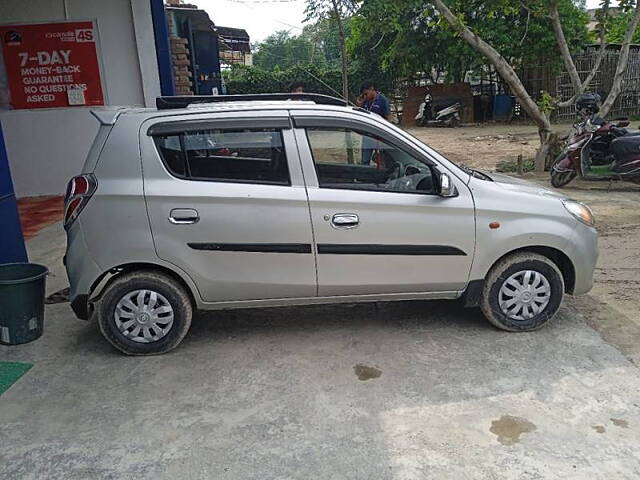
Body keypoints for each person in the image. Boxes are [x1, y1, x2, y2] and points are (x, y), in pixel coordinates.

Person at [357, 82, 390, 165]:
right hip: (367, 134)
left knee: (382, 160)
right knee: (365, 160)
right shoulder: (366, 101)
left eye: (366, 93)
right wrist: (360, 104)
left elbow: (387, 118)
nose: (365, 96)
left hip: (379, 135)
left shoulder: (382, 100)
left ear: (372, 89)